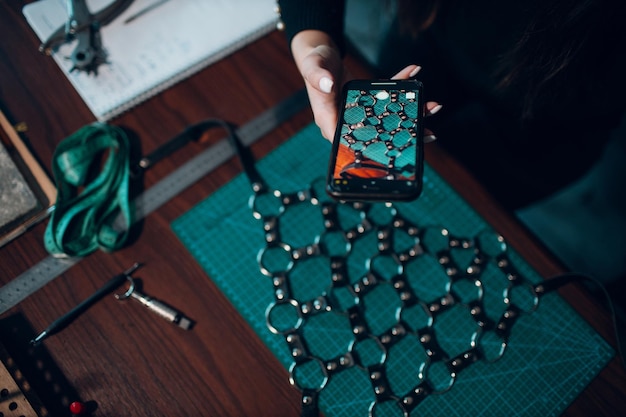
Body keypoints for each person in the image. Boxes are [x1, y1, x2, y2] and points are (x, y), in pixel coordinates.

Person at [276, 0, 626, 210]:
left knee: (454, 203)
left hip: (555, 122)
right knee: (378, 162)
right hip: (433, 28)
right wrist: (313, 41)